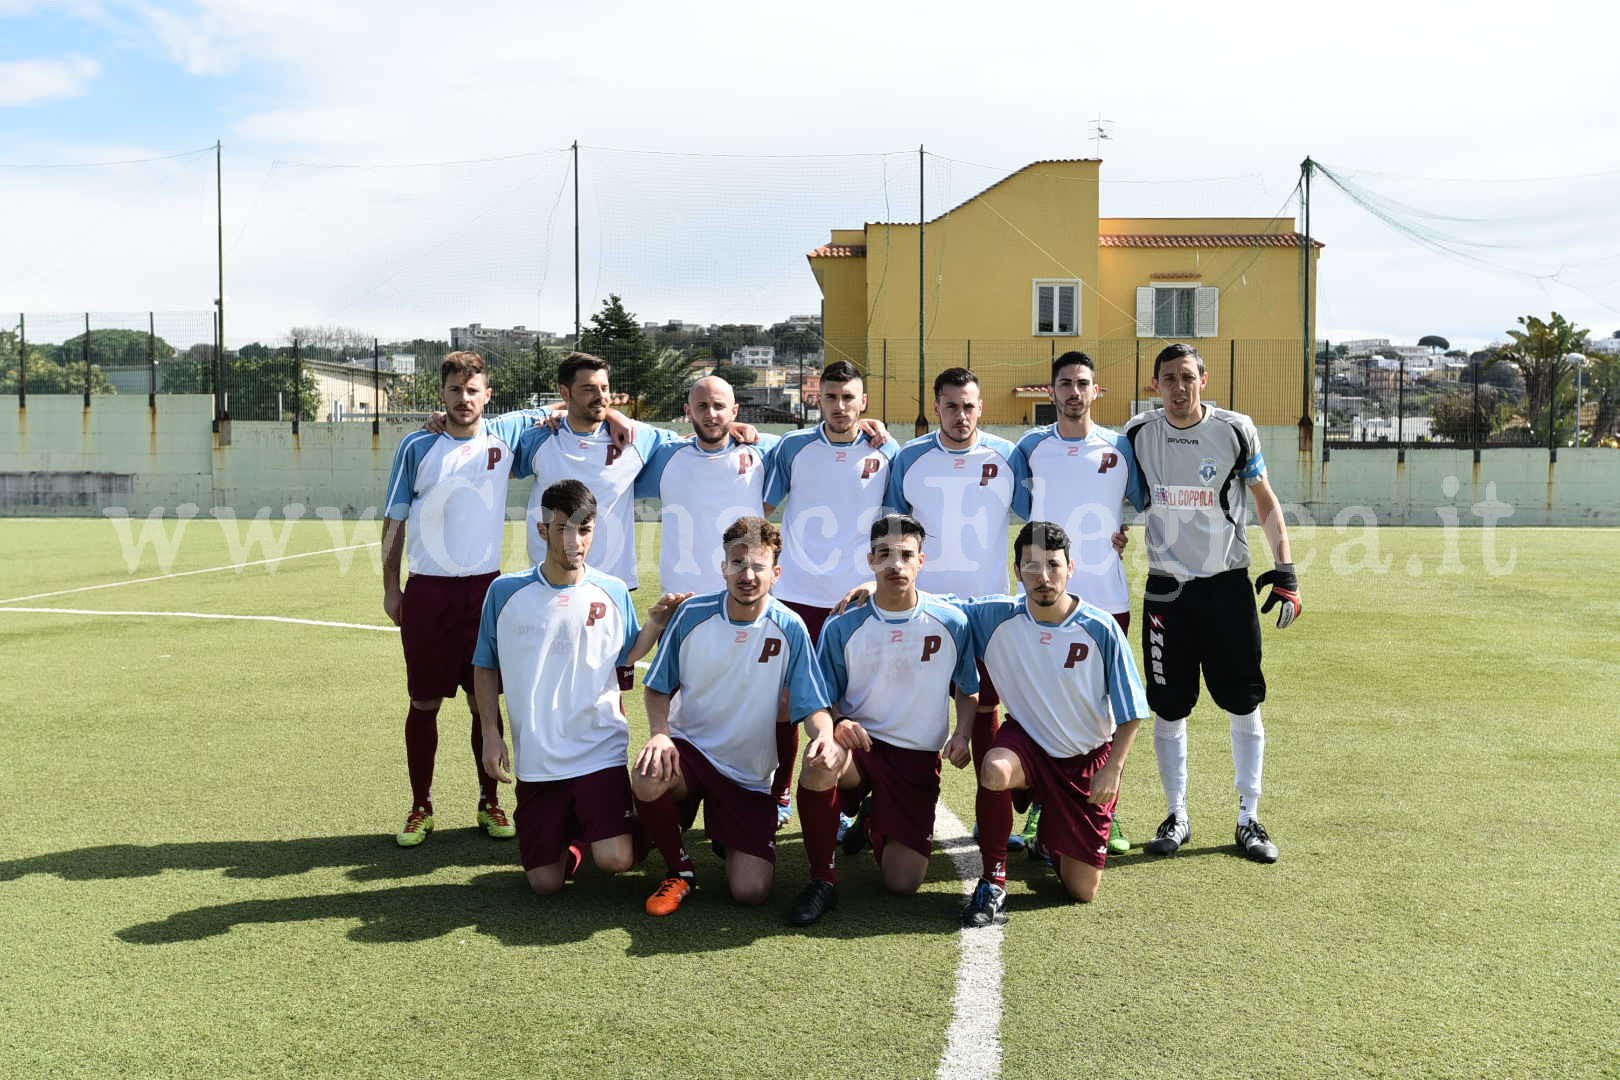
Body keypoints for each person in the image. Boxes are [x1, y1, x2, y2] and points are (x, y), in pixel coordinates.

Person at [1124, 342, 1303, 864]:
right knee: (1169, 706)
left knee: (1243, 700)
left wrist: (1286, 568)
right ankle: (1176, 813)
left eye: (1187, 377)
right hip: (1165, 590)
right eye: (1168, 379)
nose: (1178, 389)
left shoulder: (1235, 429)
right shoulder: (1138, 433)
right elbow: (1121, 492)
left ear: (1203, 379)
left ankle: (1249, 817)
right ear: (1154, 386)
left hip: (1227, 588)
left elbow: (1264, 498)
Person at [472, 480, 688, 893]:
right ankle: (573, 838)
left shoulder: (612, 590)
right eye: (562, 529)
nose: (575, 541)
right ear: (542, 531)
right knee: (544, 884)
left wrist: (656, 623)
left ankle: (639, 823)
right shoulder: (505, 592)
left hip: (597, 750)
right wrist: (489, 733)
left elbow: (626, 654)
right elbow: (485, 666)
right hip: (538, 757)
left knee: (616, 860)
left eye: (584, 529)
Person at [630, 516, 839, 916]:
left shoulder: (790, 627)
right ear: (723, 566)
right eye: (738, 563)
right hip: (689, 753)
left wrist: (825, 735)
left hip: (746, 773)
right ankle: (680, 871)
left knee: (751, 891)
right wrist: (660, 734)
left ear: (775, 573)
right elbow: (657, 687)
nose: (747, 574)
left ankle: (731, 831)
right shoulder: (692, 615)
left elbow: (811, 704)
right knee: (647, 772)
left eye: (759, 566)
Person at [381, 350, 543, 847]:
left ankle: (490, 802)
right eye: (455, 390)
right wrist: (391, 588)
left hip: (484, 591)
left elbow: (560, 410)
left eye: (473, 391)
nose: (464, 399)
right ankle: (420, 805)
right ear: (443, 395)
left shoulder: (506, 436)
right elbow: (394, 521)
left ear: (487, 395)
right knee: (423, 701)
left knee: (484, 703)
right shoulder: (417, 445)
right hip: (428, 591)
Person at [788, 513, 978, 926]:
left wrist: (964, 731)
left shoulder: (952, 620)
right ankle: (823, 878)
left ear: (922, 561)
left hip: (915, 758)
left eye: (906, 555)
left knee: (902, 883)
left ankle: (873, 815)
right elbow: (820, 698)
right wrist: (837, 722)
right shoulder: (843, 624)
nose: (896, 564)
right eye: (885, 555)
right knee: (821, 759)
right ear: (870, 560)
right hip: (860, 747)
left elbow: (968, 686)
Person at [958, 521, 1150, 926]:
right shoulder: (994, 616)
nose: (1043, 577)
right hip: (1027, 744)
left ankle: (1049, 833)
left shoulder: (1100, 628)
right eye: (1031, 566)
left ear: (1070, 568)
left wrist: (1112, 772)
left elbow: (1132, 713)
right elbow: (933, 606)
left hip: (1085, 760)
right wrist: (873, 589)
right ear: (1016, 571)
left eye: (1052, 565)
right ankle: (993, 880)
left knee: (1081, 891)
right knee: (993, 768)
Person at [1010, 350, 1146, 857]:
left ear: (1096, 392)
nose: (1073, 391)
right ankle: (1044, 802)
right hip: (1044, 600)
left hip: (1107, 599)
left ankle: (1106, 804)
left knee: (1103, 709)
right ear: (1051, 392)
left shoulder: (1120, 447)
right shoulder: (1029, 448)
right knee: (1042, 704)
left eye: (1082, 383)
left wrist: (1120, 531)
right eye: (1064, 383)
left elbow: (1141, 499)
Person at [885, 367, 1022, 853]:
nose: (960, 415)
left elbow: (1042, 515)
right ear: (936, 406)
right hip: (924, 611)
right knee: (911, 712)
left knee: (986, 710)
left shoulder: (1008, 457)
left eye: (968, 406)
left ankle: (994, 817)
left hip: (987, 612)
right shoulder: (910, 458)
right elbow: (891, 528)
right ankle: (896, 808)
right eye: (950, 405)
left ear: (980, 407)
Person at [763, 360, 898, 834]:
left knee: (854, 706)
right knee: (784, 703)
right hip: (797, 598)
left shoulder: (886, 451)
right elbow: (762, 508)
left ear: (864, 402)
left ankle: (850, 801)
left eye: (849, 398)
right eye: (831, 397)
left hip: (858, 604)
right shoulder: (792, 448)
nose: (840, 406)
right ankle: (779, 794)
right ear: (816, 400)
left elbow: (898, 525)